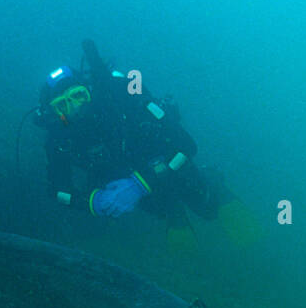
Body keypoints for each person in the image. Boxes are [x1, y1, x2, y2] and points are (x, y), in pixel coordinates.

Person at [34, 40, 227, 240]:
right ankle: (174, 212)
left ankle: (213, 180)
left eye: (78, 95)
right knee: (161, 210)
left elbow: (186, 145)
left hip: (169, 166)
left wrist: (138, 185)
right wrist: (93, 202)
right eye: (62, 105)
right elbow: (58, 191)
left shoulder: (124, 100)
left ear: (90, 91)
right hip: (135, 188)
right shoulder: (59, 137)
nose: (74, 106)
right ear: (55, 113)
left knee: (208, 209)